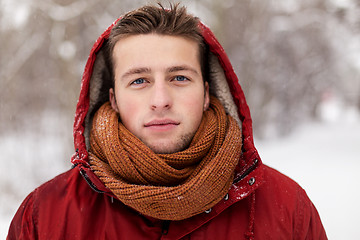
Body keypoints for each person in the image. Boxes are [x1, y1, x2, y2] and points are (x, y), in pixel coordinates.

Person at [7, 3, 327, 240]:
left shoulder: (286, 208)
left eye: (178, 77)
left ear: (206, 92)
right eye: (139, 81)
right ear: (113, 98)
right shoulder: (45, 216)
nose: (161, 99)